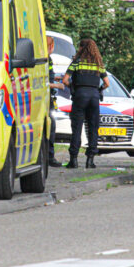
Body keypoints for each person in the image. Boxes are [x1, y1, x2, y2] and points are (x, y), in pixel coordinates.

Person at [62, 39, 109, 169]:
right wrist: (98, 90)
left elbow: (65, 80)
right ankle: (90, 160)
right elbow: (107, 83)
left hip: (80, 96)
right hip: (94, 97)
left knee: (77, 128)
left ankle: (74, 160)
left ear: (82, 48)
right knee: (93, 128)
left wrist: (73, 86)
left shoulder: (76, 62)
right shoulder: (98, 64)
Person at [46, 36, 64, 167]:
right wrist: (57, 86)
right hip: (45, 99)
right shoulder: (45, 59)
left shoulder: (45, 59)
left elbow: (47, 76)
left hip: (46, 98)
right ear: (51, 46)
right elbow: (41, 82)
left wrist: (55, 78)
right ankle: (49, 157)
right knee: (50, 128)